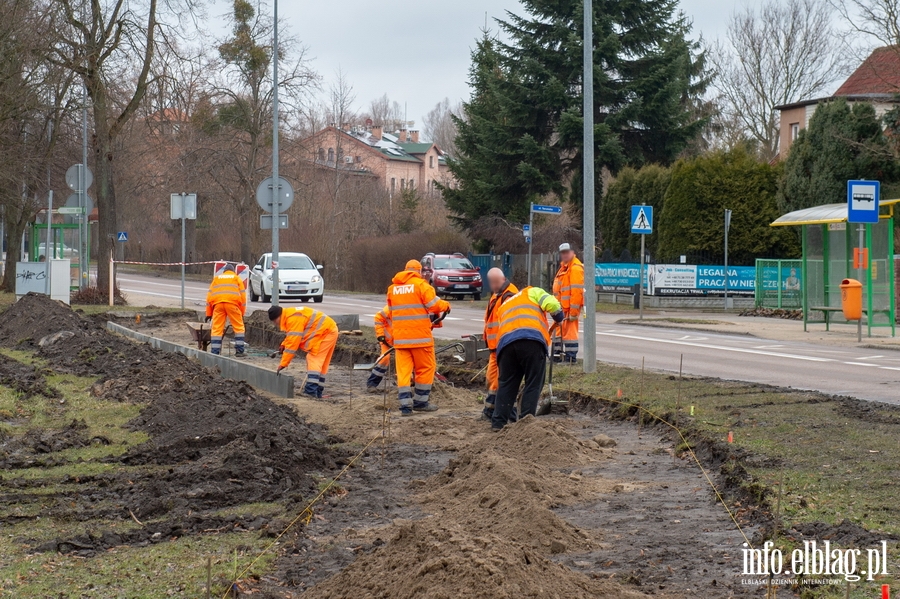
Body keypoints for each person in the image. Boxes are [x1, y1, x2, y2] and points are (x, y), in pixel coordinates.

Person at [491, 286, 563, 432]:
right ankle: (526, 424)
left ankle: (498, 424)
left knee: (506, 384)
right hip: (531, 341)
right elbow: (554, 305)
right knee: (533, 383)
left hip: (506, 347)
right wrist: (559, 317)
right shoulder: (533, 291)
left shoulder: (505, 305)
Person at [387, 259, 451, 416]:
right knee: (425, 368)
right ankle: (421, 402)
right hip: (420, 339)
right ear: (419, 271)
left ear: (405, 270)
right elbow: (434, 305)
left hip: (401, 340)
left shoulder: (393, 288)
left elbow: (391, 311)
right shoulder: (422, 285)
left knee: (403, 372)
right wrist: (446, 305)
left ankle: (405, 406)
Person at [268, 305, 339, 398]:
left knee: (313, 358)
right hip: (328, 330)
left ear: (279, 316)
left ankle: (311, 391)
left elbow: (293, 344)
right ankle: (317, 392)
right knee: (322, 363)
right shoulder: (290, 315)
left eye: (274, 321)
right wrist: (283, 344)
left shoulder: (293, 319)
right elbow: (292, 336)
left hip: (326, 333)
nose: (275, 324)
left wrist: (283, 364)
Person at [481, 268, 518, 421]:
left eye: (496, 283)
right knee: (491, 379)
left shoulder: (509, 295)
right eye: (492, 283)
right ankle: (500, 412)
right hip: (494, 347)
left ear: (503, 279)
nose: (494, 286)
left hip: (503, 346)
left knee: (499, 382)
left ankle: (495, 412)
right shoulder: (497, 295)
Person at [552, 243, 585, 363]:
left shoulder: (575, 268)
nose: (565, 255)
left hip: (568, 310)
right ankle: (556, 356)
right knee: (558, 333)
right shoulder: (564, 267)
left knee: (570, 335)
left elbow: (577, 292)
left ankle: (570, 358)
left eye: (567, 252)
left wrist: (574, 312)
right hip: (560, 309)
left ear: (572, 252)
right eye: (563, 253)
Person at [205, 263, 246, 356]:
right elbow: (243, 298)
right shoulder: (236, 278)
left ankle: (215, 352)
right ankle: (239, 351)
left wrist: (209, 313)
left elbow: (209, 297)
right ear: (233, 271)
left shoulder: (217, 279)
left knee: (217, 328)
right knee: (238, 327)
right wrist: (242, 313)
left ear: (224, 272)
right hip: (232, 304)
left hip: (218, 305)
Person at [367, 304, 393, 391]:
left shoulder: (412, 309)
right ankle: (372, 384)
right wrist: (381, 335)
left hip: (403, 341)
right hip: (387, 340)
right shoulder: (391, 307)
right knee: (384, 359)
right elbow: (378, 318)